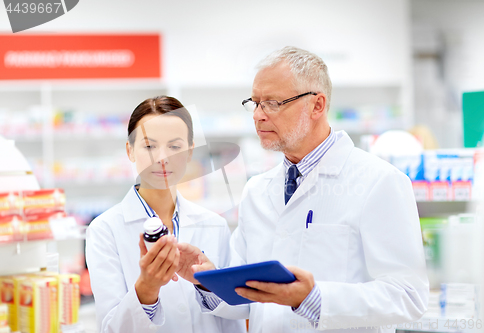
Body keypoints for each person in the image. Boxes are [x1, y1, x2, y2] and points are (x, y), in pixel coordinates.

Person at [178, 47, 429, 333]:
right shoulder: (257, 191)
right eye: (255, 102)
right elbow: (247, 297)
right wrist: (208, 279)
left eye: (272, 102)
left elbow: (409, 296)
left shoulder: (379, 182)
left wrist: (314, 298)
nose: (258, 115)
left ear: (317, 106)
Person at [85, 96, 245, 333]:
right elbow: (111, 328)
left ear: (190, 152)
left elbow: (235, 319)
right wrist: (146, 289)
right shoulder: (104, 231)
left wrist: (208, 285)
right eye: (149, 146)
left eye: (175, 146)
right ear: (130, 150)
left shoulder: (215, 225)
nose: (162, 158)